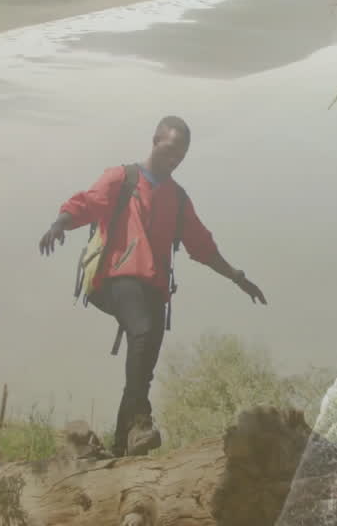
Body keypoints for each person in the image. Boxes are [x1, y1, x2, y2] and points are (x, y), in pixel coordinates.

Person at [37, 115, 266, 457]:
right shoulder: (122, 177)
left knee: (143, 368)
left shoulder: (178, 199)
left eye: (181, 155)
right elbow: (88, 202)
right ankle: (140, 420)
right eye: (170, 149)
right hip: (114, 278)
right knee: (142, 332)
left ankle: (123, 448)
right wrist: (60, 223)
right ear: (155, 140)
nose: (174, 159)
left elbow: (202, 246)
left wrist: (237, 276)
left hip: (154, 290)